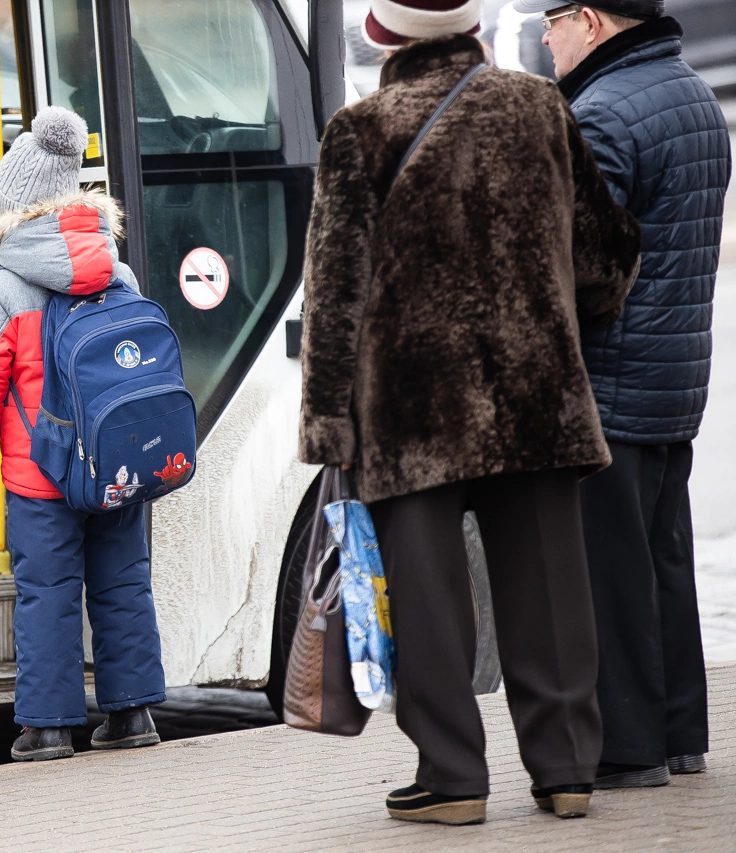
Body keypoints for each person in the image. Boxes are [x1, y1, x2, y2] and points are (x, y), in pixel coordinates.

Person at [299, 0, 642, 825]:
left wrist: (328, 426)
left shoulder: (359, 130)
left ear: (383, 36)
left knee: (427, 599)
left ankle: (453, 776)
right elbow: (605, 254)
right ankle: (566, 768)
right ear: (470, 27)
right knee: (551, 587)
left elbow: (334, 298)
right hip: (536, 394)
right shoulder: (540, 106)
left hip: (411, 411)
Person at [513, 0, 732, 788]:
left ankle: (629, 749)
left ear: (592, 21)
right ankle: (681, 735)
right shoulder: (691, 93)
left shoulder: (602, 113)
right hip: (674, 375)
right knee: (664, 559)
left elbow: (578, 262)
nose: (545, 36)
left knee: (609, 574)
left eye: (553, 20)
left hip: (610, 377)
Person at [0, 106, 166, 761]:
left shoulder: (0, 289)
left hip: (39, 477)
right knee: (123, 583)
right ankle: (132, 715)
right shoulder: (119, 274)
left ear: (13, 207)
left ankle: (47, 727)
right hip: (115, 466)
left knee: (47, 594)